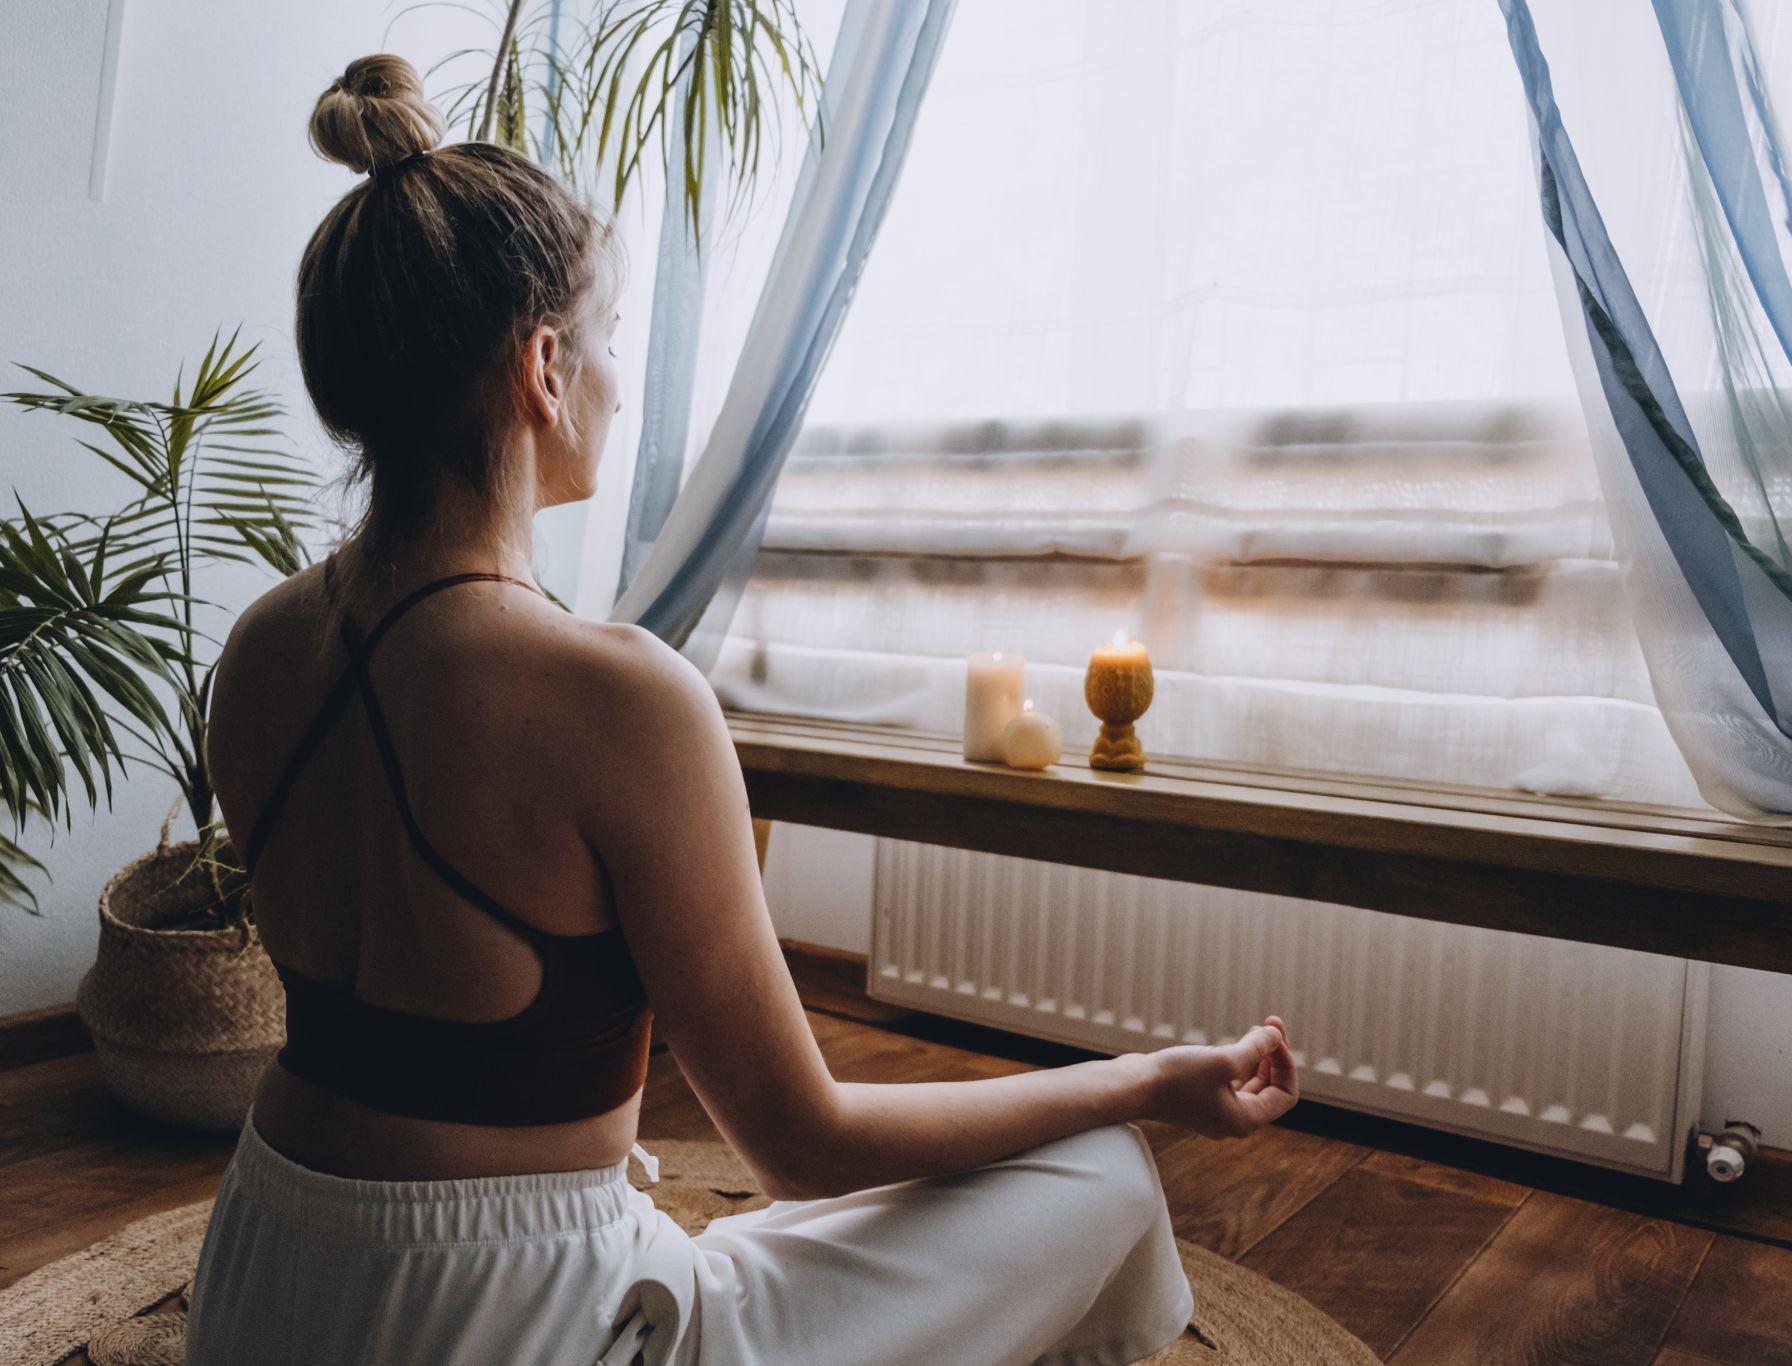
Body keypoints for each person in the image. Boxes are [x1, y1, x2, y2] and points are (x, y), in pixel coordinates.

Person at [186, 52, 1300, 1366]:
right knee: (1102, 1174)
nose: (614, 378)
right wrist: (1149, 1080)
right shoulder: (617, 697)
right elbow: (807, 1144)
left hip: (263, 1286)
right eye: (602, 343)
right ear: (541, 368)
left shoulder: (257, 653)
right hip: (508, 1330)